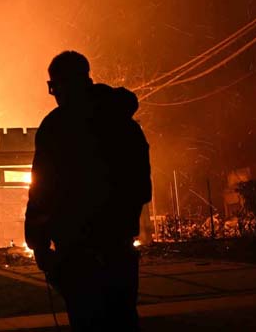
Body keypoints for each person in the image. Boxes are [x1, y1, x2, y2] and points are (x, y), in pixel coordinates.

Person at [25, 51, 152, 331]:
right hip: (118, 245)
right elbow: (142, 187)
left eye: (53, 87)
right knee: (123, 320)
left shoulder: (56, 127)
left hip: (76, 251)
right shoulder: (124, 122)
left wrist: (38, 242)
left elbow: (42, 192)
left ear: (59, 85)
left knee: (87, 321)